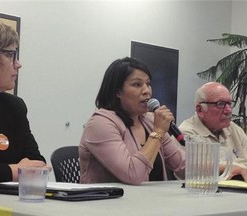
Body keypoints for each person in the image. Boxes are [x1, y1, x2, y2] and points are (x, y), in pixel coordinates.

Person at [79, 57, 185, 185]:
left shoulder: (150, 120)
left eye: (148, 84)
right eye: (137, 84)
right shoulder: (100, 124)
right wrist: (158, 132)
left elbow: (183, 166)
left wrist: (214, 168)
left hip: (152, 202)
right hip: (109, 204)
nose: (146, 91)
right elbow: (133, 175)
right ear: (117, 91)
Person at [0, 18, 48, 183]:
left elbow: (37, 162)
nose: (18, 64)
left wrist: (15, 170)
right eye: (10, 55)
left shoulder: (14, 107)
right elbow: (24, 170)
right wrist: (14, 171)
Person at [179, 82, 247, 183]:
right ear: (200, 110)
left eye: (229, 104)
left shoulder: (234, 129)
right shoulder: (186, 134)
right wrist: (240, 169)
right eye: (220, 104)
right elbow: (195, 170)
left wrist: (243, 169)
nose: (228, 110)